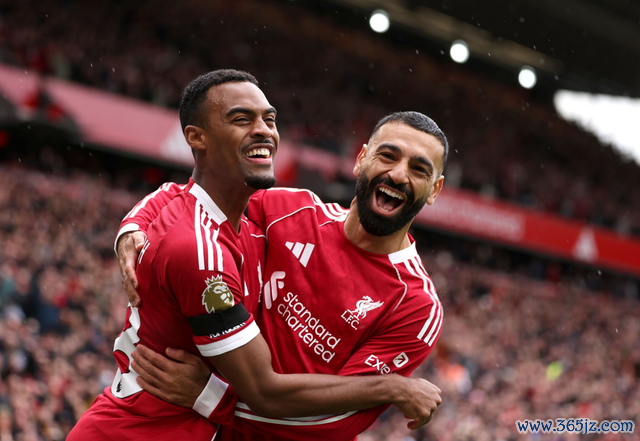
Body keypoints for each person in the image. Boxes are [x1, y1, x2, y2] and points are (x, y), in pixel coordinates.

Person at [68, 70, 442, 441]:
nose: (398, 175)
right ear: (361, 159)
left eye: (419, 169)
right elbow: (198, 197)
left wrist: (211, 397)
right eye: (387, 156)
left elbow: (337, 421)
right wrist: (133, 226)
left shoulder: (416, 306)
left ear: (435, 190)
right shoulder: (289, 211)